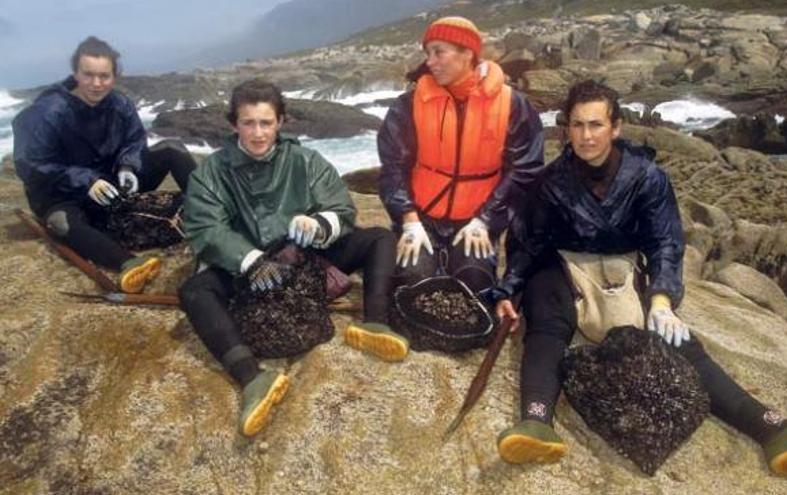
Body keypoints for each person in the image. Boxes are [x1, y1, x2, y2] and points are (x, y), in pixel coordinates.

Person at [491, 80, 787, 475]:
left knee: (676, 339)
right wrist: (508, 290)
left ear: (616, 127)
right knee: (546, 320)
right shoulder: (551, 183)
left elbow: (665, 244)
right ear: (567, 128)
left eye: (596, 125)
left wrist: (662, 301)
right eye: (578, 125)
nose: (586, 136)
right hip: (563, 269)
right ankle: (537, 422)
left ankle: (775, 429)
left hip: (623, 268)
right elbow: (527, 243)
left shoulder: (647, 178)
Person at [178, 79, 398, 436]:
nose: (258, 133)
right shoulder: (211, 173)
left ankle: (374, 323)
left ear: (281, 122)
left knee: (380, 238)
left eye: (266, 122)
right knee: (193, 292)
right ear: (234, 124)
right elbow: (206, 229)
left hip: (305, 257)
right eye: (248, 123)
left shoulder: (305, 160)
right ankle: (252, 378)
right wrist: (248, 259)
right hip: (248, 266)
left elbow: (341, 208)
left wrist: (319, 223)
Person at [370, 16, 544, 359]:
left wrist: (487, 219)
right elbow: (392, 166)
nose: (429, 62)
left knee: (475, 284)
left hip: (476, 223)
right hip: (421, 220)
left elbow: (525, 168)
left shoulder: (513, 105)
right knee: (413, 280)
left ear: (468, 54)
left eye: (439, 52)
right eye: (428, 53)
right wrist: (407, 218)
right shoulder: (409, 104)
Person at [12, 36, 196, 293]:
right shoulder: (46, 112)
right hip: (62, 194)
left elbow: (134, 140)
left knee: (172, 149)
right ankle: (129, 264)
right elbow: (29, 165)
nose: (96, 84)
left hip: (110, 182)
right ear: (76, 73)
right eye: (88, 75)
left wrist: (128, 166)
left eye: (104, 76)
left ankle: (216, 212)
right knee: (63, 223)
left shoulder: (120, 104)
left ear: (114, 76)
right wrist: (85, 180)